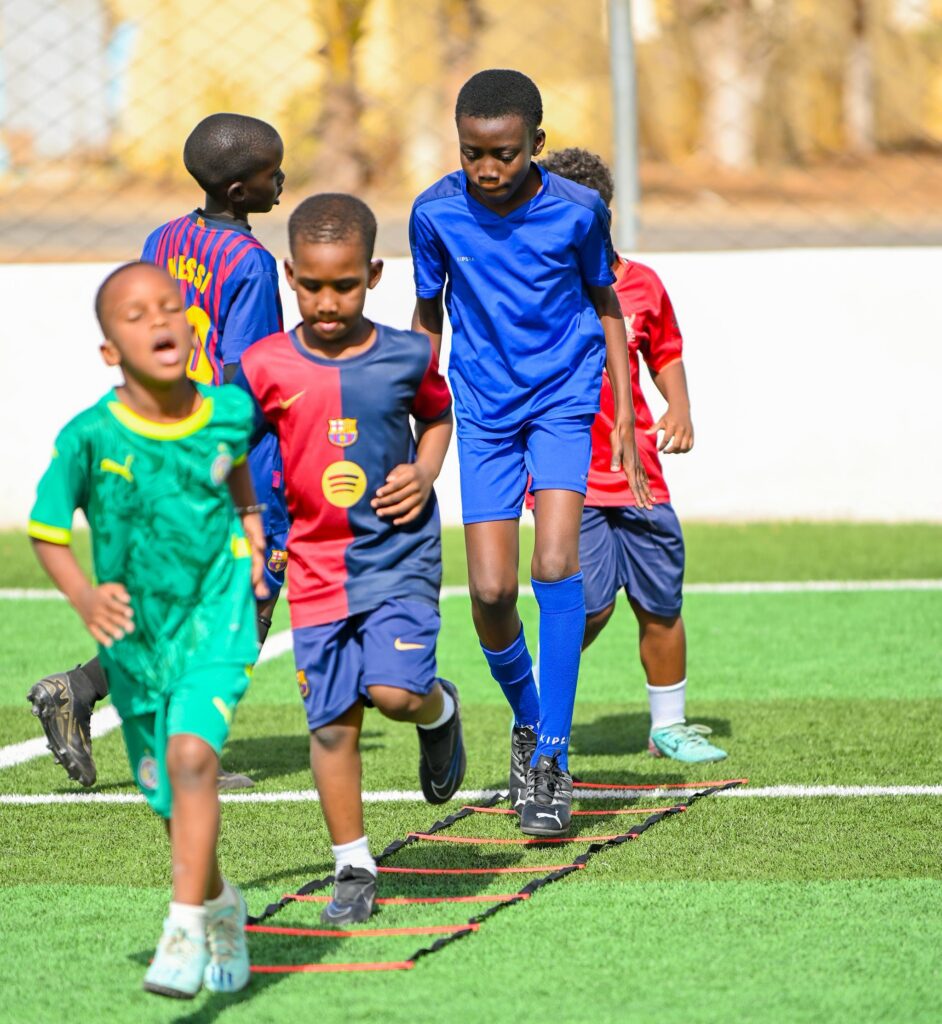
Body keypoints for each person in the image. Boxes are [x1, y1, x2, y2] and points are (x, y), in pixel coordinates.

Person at [409, 69, 652, 837]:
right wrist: (411, 408)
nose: (488, 169)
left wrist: (621, 412)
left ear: (536, 144)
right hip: (482, 408)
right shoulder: (435, 213)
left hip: (563, 401)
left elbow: (606, 302)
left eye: (505, 154)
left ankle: (552, 758)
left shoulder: (578, 211)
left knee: (554, 564)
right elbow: (427, 314)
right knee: (489, 592)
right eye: (473, 153)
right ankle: (528, 718)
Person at [28, 113, 288, 790]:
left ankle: (80, 689)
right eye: (272, 174)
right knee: (244, 602)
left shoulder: (164, 237)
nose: (282, 181)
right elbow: (248, 378)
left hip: (160, 443)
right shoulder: (253, 264)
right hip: (226, 458)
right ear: (240, 191)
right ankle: (188, 745)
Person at [28, 262, 265, 996]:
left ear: (191, 328)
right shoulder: (89, 435)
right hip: (135, 642)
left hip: (217, 617)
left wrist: (253, 526)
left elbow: (236, 470)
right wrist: (84, 597)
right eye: (135, 315)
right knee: (170, 797)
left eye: (170, 306)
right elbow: (46, 530)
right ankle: (221, 905)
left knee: (193, 757)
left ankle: (183, 926)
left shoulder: (229, 409)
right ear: (110, 351)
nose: (159, 319)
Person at [235, 193, 464, 923]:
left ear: (373, 275)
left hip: (398, 554)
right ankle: (354, 867)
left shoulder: (407, 355)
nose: (327, 302)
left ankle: (439, 710)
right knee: (332, 722)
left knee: (395, 695)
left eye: (343, 285)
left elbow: (438, 415)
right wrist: (245, 517)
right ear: (289, 276)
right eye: (311, 285)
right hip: (314, 566)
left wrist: (424, 470)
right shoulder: (264, 364)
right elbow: (227, 445)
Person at [539, 147, 726, 762]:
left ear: (604, 215)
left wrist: (680, 406)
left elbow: (665, 351)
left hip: (640, 477)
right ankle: (537, 713)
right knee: (587, 607)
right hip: (569, 478)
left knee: (660, 604)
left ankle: (668, 726)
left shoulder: (642, 284)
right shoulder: (537, 287)